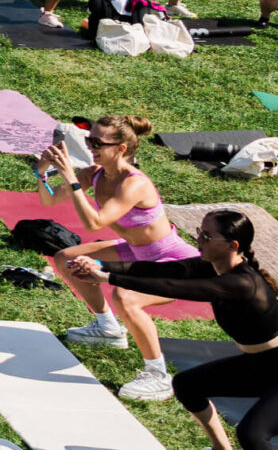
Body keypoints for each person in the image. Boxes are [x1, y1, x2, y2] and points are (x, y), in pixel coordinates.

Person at [67, 206, 278, 418]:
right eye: (199, 232)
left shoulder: (240, 283)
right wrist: (101, 265)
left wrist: (107, 279)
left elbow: (171, 286)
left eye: (206, 236)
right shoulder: (212, 267)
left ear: (232, 246)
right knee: (186, 385)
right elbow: (159, 270)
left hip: (274, 362)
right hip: (258, 361)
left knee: (252, 435)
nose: (199, 240)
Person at [39, 115, 197, 385]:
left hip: (172, 262)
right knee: (67, 258)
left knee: (126, 298)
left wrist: (71, 178)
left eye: (98, 142)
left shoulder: (134, 184)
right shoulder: (95, 174)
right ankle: (107, 328)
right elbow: (50, 200)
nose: (91, 146)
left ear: (121, 148)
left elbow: (94, 223)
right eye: (89, 140)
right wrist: (41, 171)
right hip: (135, 252)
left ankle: (158, 375)